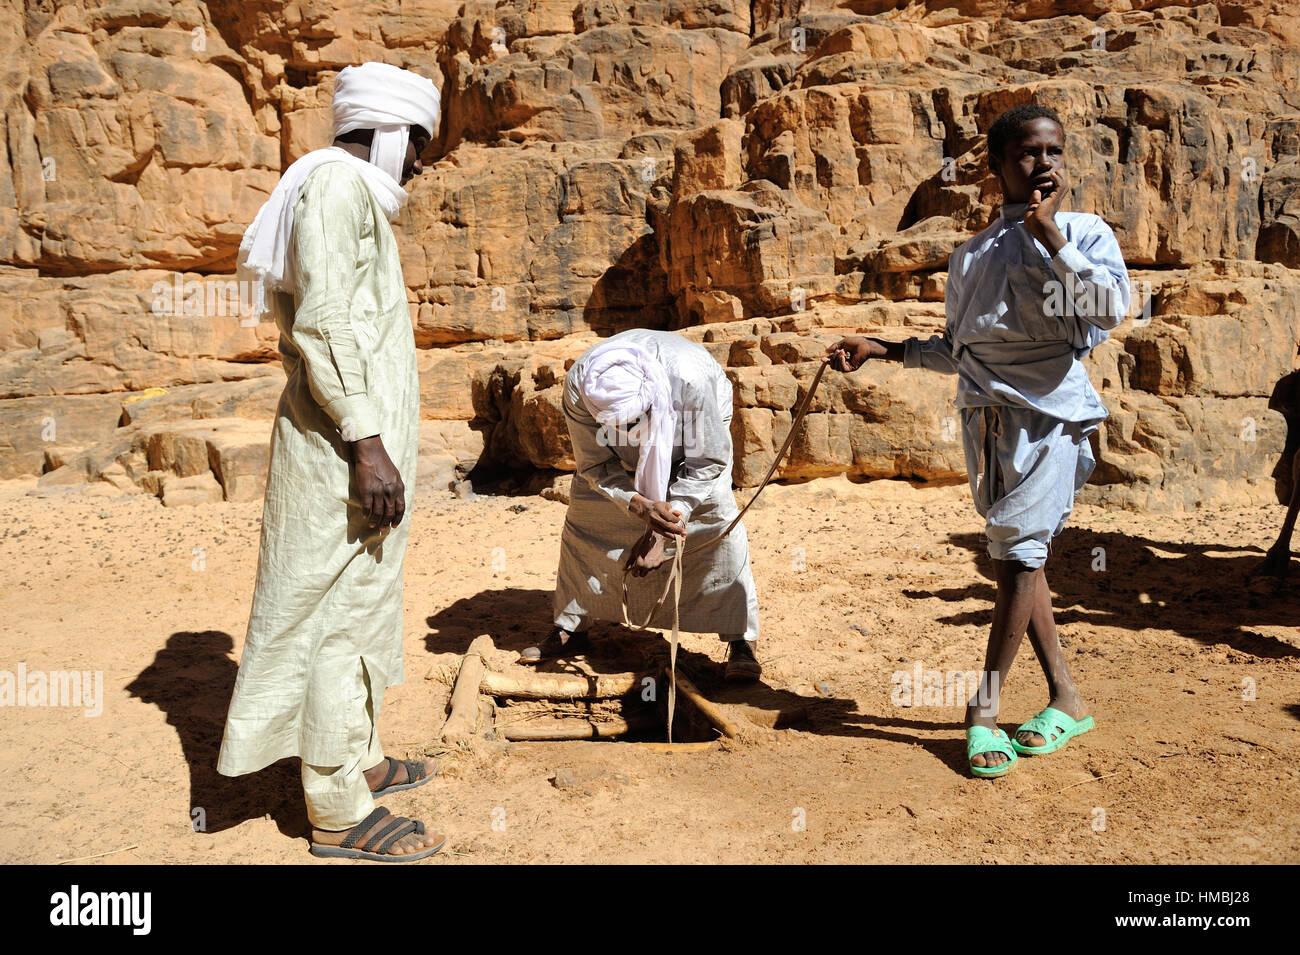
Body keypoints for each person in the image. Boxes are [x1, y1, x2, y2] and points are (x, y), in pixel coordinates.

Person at [827, 103, 1130, 778]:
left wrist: (1051, 237)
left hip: (1050, 420)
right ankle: (1067, 698)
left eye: (1054, 150)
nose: (1045, 163)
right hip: (986, 428)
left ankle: (982, 710)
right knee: (1020, 559)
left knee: (1020, 558)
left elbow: (1108, 309)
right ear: (998, 167)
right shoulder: (971, 258)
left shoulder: (1085, 233)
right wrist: (883, 347)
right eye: (1028, 152)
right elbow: (963, 352)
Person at [217, 62, 447, 860]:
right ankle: (340, 811)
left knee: (361, 608)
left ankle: (364, 758)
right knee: (334, 624)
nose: (418, 164)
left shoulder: (348, 193)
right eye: (415, 145)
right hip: (343, 453)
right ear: (388, 133)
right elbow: (324, 323)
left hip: (358, 451)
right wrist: (368, 442)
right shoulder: (337, 189)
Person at [524, 329, 763, 682]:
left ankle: (741, 639)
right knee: (586, 520)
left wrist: (662, 531)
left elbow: (708, 462)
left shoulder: (690, 381)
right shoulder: (580, 388)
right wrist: (638, 504)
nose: (631, 432)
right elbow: (594, 465)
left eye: (636, 421)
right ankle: (571, 625)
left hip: (693, 433)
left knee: (716, 521)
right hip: (617, 458)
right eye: (617, 425)